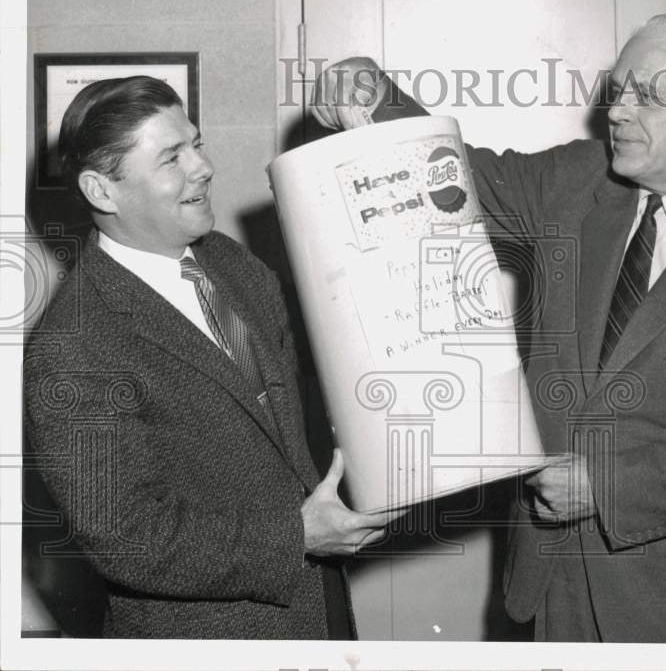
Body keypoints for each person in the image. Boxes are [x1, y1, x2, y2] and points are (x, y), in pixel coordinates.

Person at [312, 13, 666, 642]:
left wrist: (609, 486)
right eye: (617, 89)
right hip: (550, 582)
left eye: (649, 97)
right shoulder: (576, 182)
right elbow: (451, 173)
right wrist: (373, 93)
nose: (618, 112)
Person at [23, 76, 397, 639]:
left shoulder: (233, 265)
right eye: (172, 157)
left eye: (196, 144)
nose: (203, 167)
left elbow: (289, 432)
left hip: (317, 614)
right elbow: (126, 537)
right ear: (102, 192)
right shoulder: (72, 344)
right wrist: (297, 537)